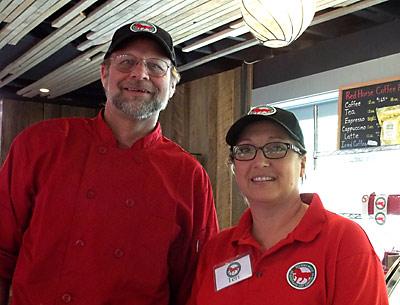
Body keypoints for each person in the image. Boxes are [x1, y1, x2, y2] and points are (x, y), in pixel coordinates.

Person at [0, 21, 219, 305]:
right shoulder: (41, 144)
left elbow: (196, 280)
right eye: (126, 61)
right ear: (104, 75)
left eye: (156, 66)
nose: (140, 73)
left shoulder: (189, 175)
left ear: (173, 85)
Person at [187, 105, 389, 305]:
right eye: (245, 150)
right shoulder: (216, 249)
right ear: (234, 166)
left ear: (302, 164)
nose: (260, 162)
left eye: (276, 148)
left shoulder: (345, 241)